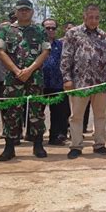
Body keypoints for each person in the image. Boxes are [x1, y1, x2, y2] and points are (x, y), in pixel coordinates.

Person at [0, 0, 50, 161]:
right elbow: (0, 51)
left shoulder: (39, 29)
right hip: (14, 78)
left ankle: (38, 145)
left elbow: (45, 51)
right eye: (21, 10)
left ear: (32, 12)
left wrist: (29, 70)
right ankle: (9, 147)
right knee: (11, 112)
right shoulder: (6, 29)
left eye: (27, 10)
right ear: (16, 12)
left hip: (34, 78)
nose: (24, 12)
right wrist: (17, 70)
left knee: (37, 112)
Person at [60, 3, 106, 159]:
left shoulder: (104, 37)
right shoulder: (73, 33)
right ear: (84, 17)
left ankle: (99, 145)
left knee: (100, 116)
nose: (93, 20)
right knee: (76, 116)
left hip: (101, 83)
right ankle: (76, 145)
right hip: (79, 83)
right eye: (90, 17)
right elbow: (66, 57)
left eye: (96, 17)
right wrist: (67, 79)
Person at [42, 18, 70, 146]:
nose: (50, 30)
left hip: (58, 84)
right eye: (47, 28)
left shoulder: (61, 45)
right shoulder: (37, 44)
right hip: (40, 84)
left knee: (59, 112)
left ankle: (55, 136)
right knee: (37, 112)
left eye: (53, 28)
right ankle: (36, 138)